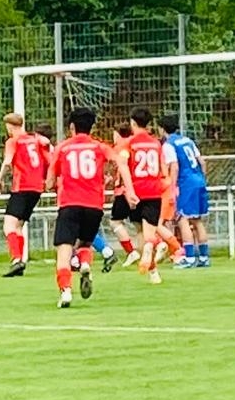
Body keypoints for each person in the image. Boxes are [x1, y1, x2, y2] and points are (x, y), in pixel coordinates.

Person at [46, 108, 135, 309]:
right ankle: (85, 264)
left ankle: (66, 291)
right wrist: (129, 191)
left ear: (71, 127)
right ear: (91, 127)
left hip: (69, 204)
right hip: (94, 206)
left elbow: (50, 182)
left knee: (64, 250)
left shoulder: (62, 148)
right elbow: (121, 163)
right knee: (85, 242)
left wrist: (53, 182)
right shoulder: (99, 147)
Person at [126, 109, 181, 284]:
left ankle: (152, 258)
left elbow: (124, 165)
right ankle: (153, 270)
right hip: (153, 191)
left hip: (135, 191)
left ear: (133, 123)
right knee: (149, 230)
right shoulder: (156, 144)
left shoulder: (130, 143)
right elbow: (163, 170)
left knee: (141, 233)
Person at [0, 113, 49, 277]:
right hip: (36, 188)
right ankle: (19, 262)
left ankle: (16, 259)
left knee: (8, 226)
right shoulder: (35, 140)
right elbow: (48, 160)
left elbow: (7, 162)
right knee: (18, 225)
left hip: (22, 187)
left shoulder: (13, 141)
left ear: (10, 126)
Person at [160, 115, 211, 267]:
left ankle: (189, 258)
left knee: (182, 219)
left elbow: (174, 167)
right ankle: (204, 257)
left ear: (162, 129)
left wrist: (172, 187)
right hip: (198, 181)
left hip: (185, 183)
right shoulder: (188, 140)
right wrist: (201, 179)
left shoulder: (168, 145)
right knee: (197, 220)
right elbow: (202, 162)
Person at [106, 124, 140, 267]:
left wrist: (115, 181)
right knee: (140, 224)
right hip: (138, 188)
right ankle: (154, 248)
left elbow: (121, 168)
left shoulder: (120, 147)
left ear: (118, 134)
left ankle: (131, 252)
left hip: (124, 190)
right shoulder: (135, 145)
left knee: (115, 222)